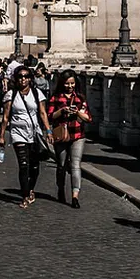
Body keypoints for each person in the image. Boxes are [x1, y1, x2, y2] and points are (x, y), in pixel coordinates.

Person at [0, 66, 48, 209]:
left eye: (26, 76)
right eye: (20, 76)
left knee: (34, 166)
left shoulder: (38, 94)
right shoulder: (10, 95)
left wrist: (49, 131)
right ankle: (25, 196)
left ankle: (30, 188)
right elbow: (6, 117)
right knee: (23, 165)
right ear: (16, 78)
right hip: (17, 133)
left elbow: (43, 113)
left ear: (30, 79)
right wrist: (1, 135)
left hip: (34, 133)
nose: (23, 79)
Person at [46, 69, 92, 209]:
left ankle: (75, 196)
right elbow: (49, 117)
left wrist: (77, 112)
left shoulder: (80, 98)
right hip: (61, 135)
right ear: (62, 84)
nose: (70, 86)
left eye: (72, 83)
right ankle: (60, 188)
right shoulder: (55, 98)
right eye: (67, 84)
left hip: (77, 134)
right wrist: (62, 111)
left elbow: (89, 118)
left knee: (75, 165)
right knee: (61, 165)